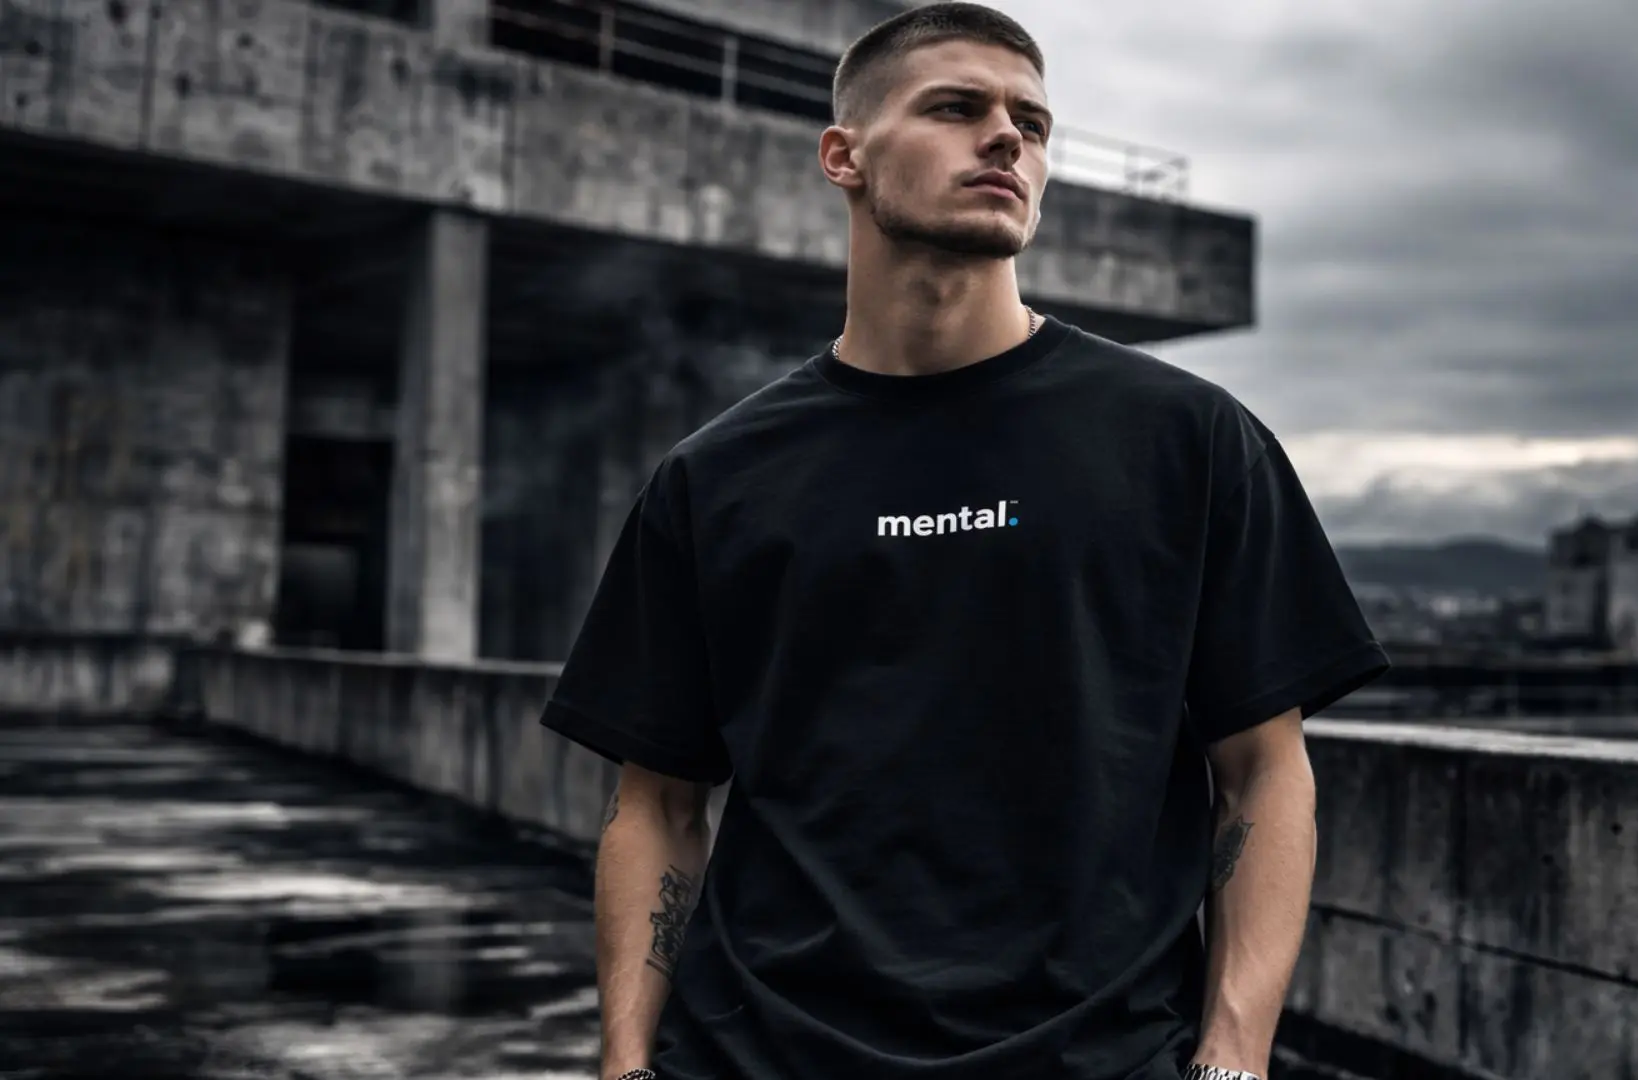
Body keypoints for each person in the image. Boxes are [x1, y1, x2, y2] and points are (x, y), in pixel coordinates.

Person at [538, 4, 1390, 1079]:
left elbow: (1265, 773)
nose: (1008, 139)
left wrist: (1232, 1060)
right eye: (956, 107)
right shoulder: (715, 477)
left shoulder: (1188, 439)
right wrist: (623, 1063)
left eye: (1033, 124)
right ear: (842, 156)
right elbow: (655, 804)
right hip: (758, 1057)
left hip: (1097, 1060)